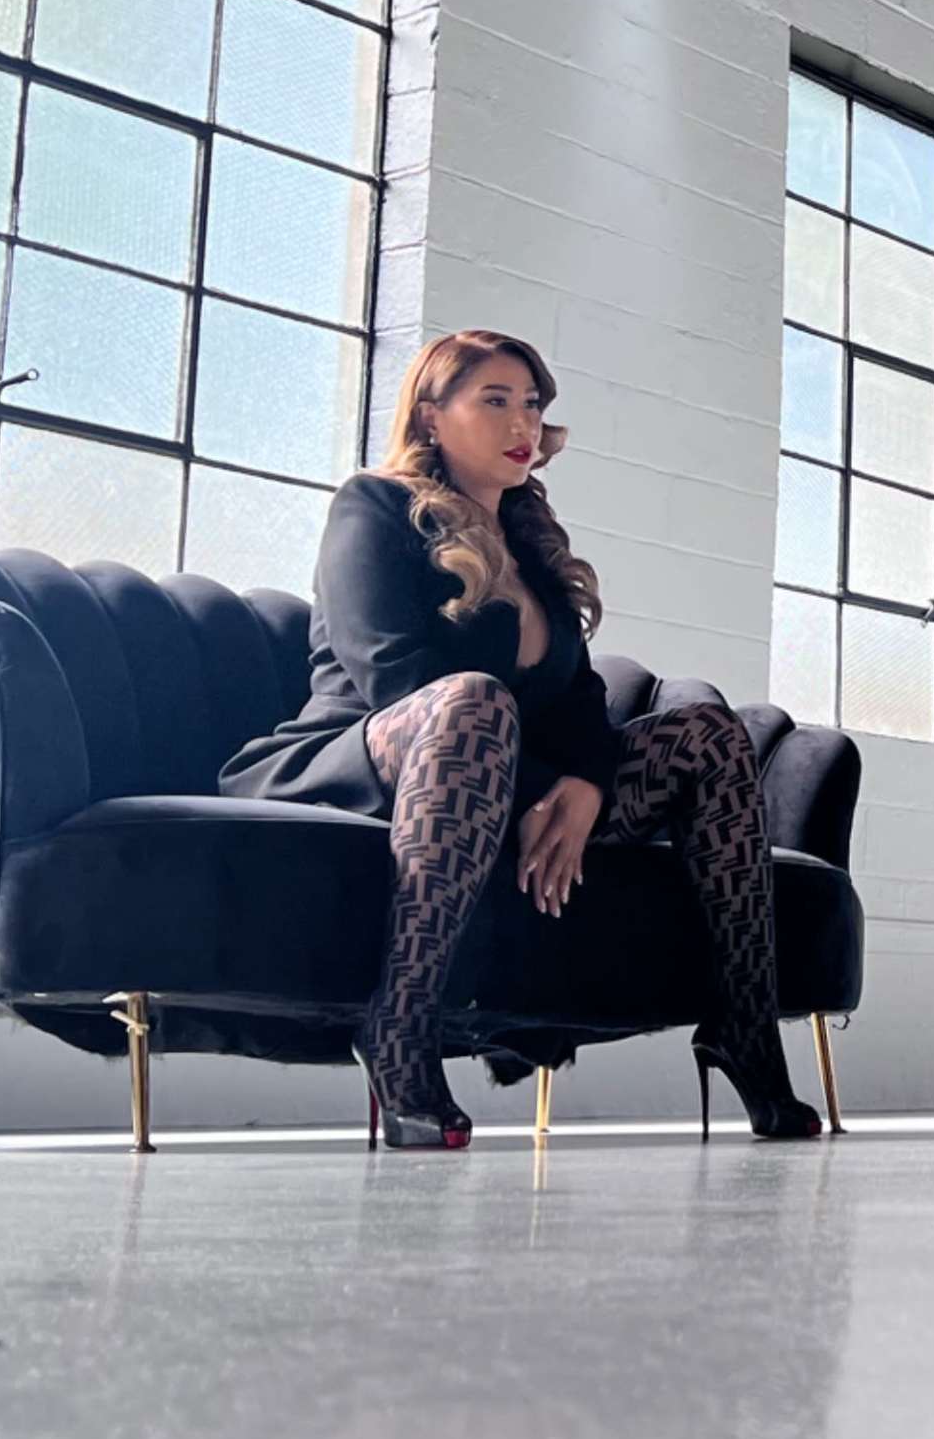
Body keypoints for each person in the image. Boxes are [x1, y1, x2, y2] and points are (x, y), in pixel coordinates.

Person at [221, 328, 820, 1149]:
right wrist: (548, 785)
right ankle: (399, 1025)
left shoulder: (531, 547)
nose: (522, 423)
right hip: (368, 757)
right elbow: (394, 676)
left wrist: (588, 785)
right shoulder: (374, 506)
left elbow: (579, 700)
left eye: (532, 404)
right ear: (432, 417)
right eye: (494, 400)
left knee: (709, 738)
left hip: (498, 775)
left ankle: (745, 1031)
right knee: (473, 702)